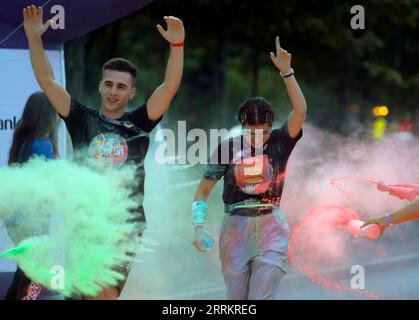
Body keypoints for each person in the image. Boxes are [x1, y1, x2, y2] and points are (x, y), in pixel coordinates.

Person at [23, 4, 184, 299]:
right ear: (100, 86)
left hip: (125, 227)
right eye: (108, 84)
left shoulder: (139, 123)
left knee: (105, 293)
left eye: (121, 87)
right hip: (84, 225)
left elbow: (170, 86)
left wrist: (177, 45)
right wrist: (34, 38)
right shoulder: (80, 118)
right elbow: (47, 80)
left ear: (131, 92)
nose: (113, 91)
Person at [191, 37, 307, 300]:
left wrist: (287, 73)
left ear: (271, 128)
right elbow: (202, 192)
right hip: (234, 231)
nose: (258, 138)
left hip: (271, 230)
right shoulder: (226, 148)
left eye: (263, 132)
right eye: (251, 132)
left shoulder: (280, 141)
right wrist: (198, 227)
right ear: (241, 127)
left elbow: (300, 111)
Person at [4, 91, 59, 300]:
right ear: (48, 115)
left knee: (25, 271)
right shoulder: (43, 144)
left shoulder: (23, 142)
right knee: (34, 274)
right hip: (33, 219)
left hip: (16, 219)